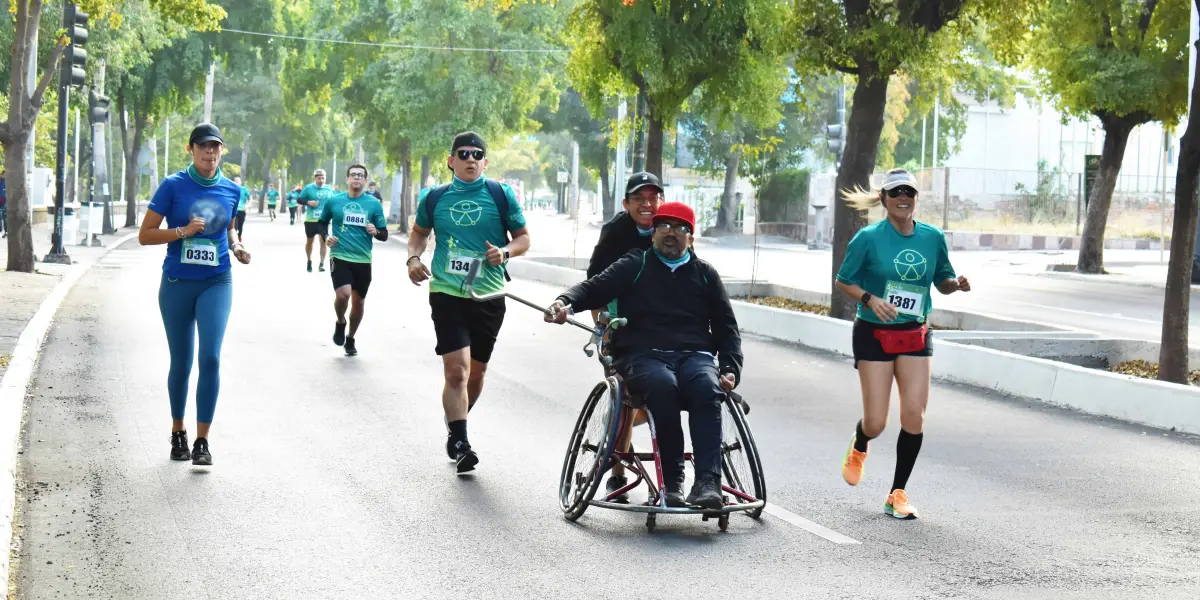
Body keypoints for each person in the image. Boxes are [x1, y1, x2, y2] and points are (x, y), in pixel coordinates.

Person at [546, 202, 741, 510]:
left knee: (706, 387)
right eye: (664, 226)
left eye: (680, 229)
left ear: (691, 237)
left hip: (694, 355)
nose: (671, 234)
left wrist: (730, 368)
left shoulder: (705, 275)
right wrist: (564, 302)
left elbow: (726, 328)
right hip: (643, 355)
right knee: (662, 387)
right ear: (653, 234)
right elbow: (594, 288)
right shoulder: (634, 264)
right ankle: (673, 480)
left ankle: (707, 482)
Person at [834, 168, 971, 520]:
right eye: (895, 192)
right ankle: (861, 442)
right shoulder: (867, 238)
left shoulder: (931, 237)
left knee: (914, 414)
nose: (902, 197)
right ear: (883, 199)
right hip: (874, 334)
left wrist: (955, 284)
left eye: (908, 191)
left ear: (915, 198)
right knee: (877, 421)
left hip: (914, 333)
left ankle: (897, 493)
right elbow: (843, 281)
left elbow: (941, 280)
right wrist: (869, 299)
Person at [407, 131, 530, 474]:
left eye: (477, 154)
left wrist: (505, 252)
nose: (470, 159)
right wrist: (413, 259)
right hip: (447, 291)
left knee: (476, 374)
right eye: (463, 154)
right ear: (451, 161)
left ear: (485, 162)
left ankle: (454, 423)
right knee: (457, 371)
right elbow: (418, 232)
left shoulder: (500, 195)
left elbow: (523, 238)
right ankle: (462, 441)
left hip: (489, 294)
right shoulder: (434, 197)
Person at [137, 123, 251, 466]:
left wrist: (238, 246)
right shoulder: (173, 186)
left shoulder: (232, 190)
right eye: (203, 146)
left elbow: (230, 230)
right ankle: (178, 431)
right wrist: (181, 231)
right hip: (177, 283)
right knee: (182, 362)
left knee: (211, 358)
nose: (210, 152)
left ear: (221, 152)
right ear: (191, 149)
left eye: (215, 147)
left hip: (216, 280)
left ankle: (202, 441)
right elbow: (145, 235)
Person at [585, 171, 664, 503]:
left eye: (652, 198)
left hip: (663, 325)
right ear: (626, 204)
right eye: (639, 199)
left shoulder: (672, 226)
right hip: (622, 323)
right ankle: (617, 474)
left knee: (657, 398)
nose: (647, 205)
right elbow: (594, 284)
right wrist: (603, 324)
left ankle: (621, 425)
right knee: (627, 401)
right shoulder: (615, 233)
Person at [320, 164, 388, 357]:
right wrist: (326, 237)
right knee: (343, 294)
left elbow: (384, 234)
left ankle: (350, 337)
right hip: (339, 255)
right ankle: (341, 321)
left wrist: (376, 232)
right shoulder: (334, 201)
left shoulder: (373, 204)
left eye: (360, 175)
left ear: (365, 180)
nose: (356, 178)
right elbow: (322, 222)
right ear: (347, 179)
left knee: (359, 303)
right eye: (353, 175)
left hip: (363, 259)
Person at [299, 169, 334, 272]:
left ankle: (321, 263)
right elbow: (299, 199)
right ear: (315, 178)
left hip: (323, 221)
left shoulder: (328, 189)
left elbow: (333, 202)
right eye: (319, 178)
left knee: (324, 241)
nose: (321, 180)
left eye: (323, 178)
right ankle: (309, 261)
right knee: (310, 242)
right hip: (310, 220)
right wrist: (309, 202)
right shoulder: (309, 188)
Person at [233, 176, 250, 242]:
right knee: (235, 227)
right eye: (235, 180)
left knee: (240, 226)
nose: (236, 182)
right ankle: (235, 240)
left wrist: (247, 205)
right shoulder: (232, 189)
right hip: (234, 210)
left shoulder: (244, 189)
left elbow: (250, 198)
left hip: (242, 210)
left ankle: (239, 236)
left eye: (238, 180)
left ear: (240, 182)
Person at [0, 170, 6, 238]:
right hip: (1, 202)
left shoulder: (7, 182)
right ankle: (0, 231)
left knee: (5, 218)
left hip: (5, 203)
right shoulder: (1, 181)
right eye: (3, 174)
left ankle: (6, 232)